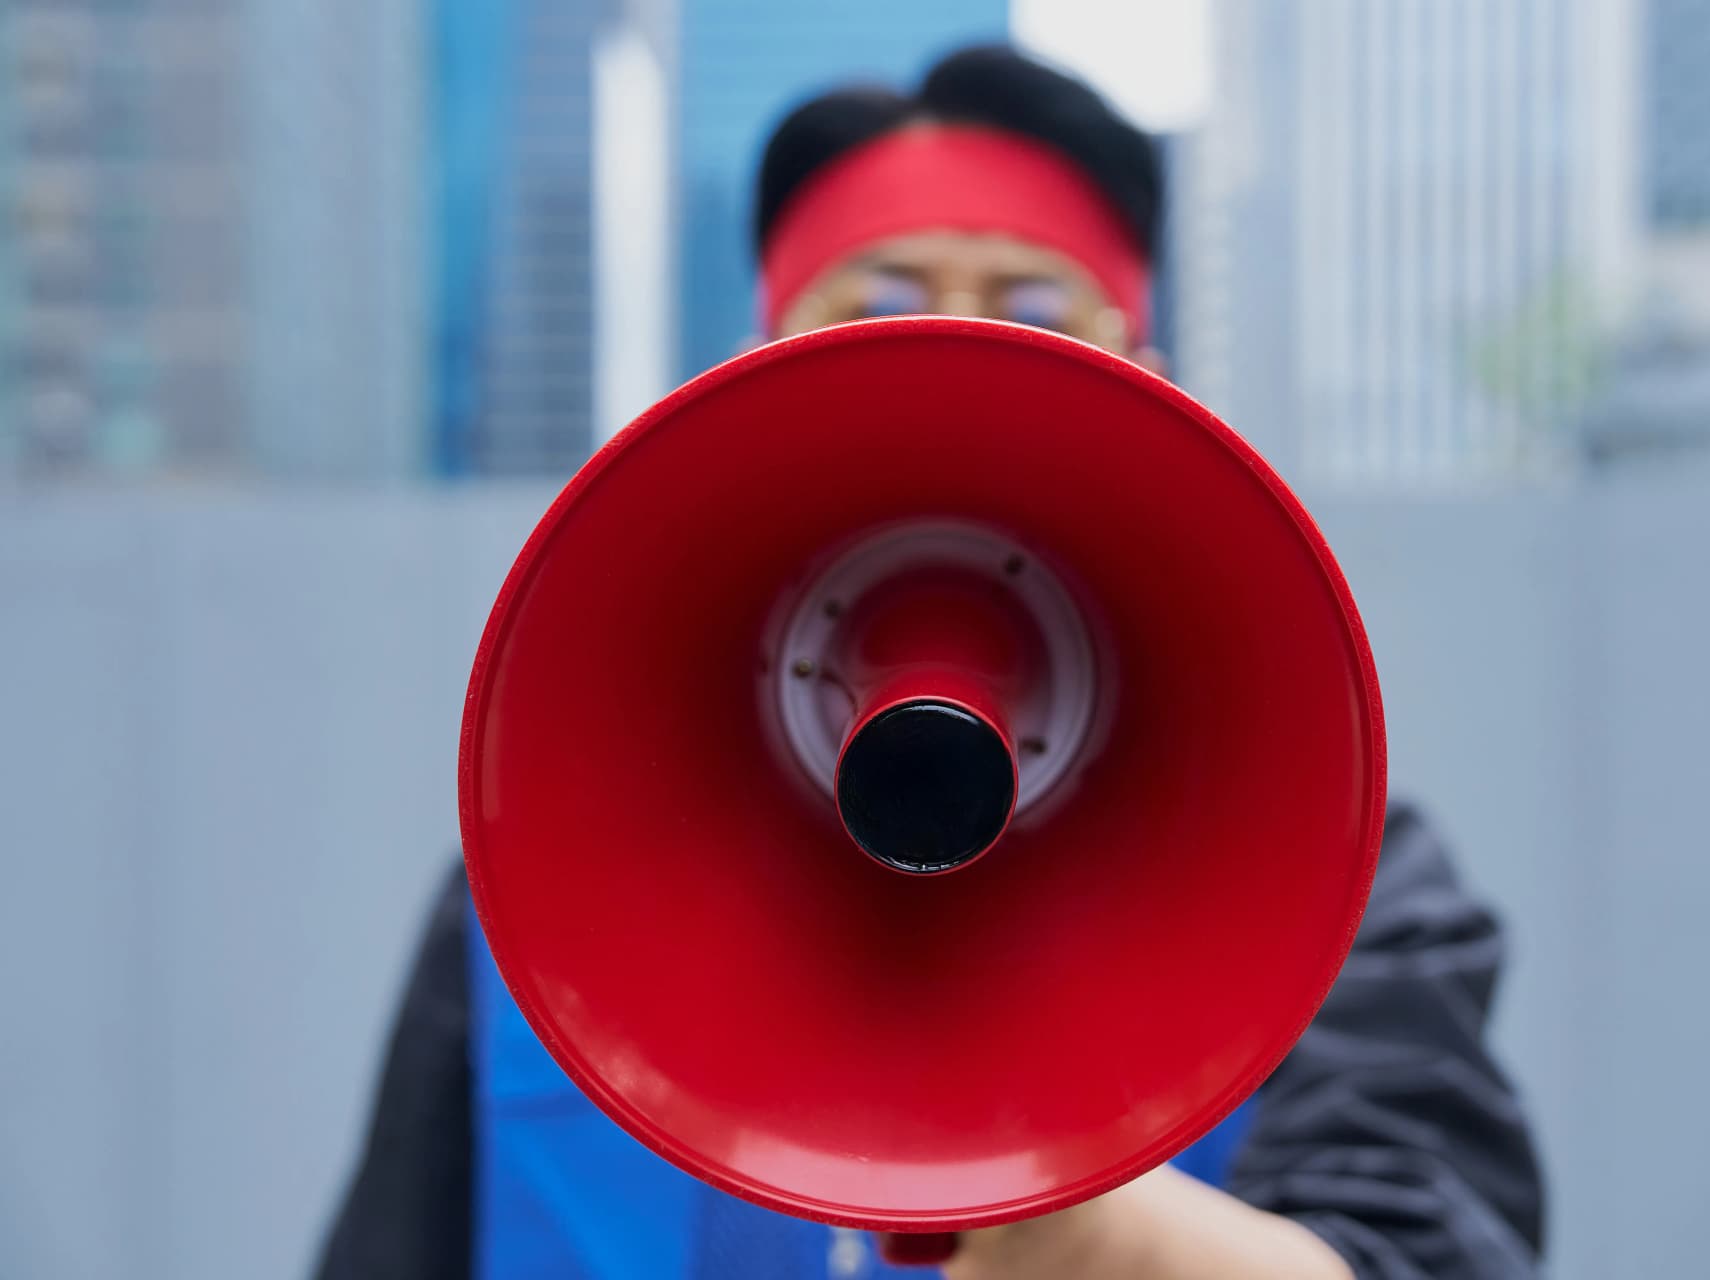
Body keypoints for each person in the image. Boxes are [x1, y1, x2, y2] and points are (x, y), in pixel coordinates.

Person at [315, 45, 1545, 1280]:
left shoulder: (1334, 864)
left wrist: (1088, 1226)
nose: (958, 350)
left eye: (1035, 313)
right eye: (884, 304)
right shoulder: (533, 896)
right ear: (753, 371)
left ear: (1151, 386)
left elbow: (1426, 1247)